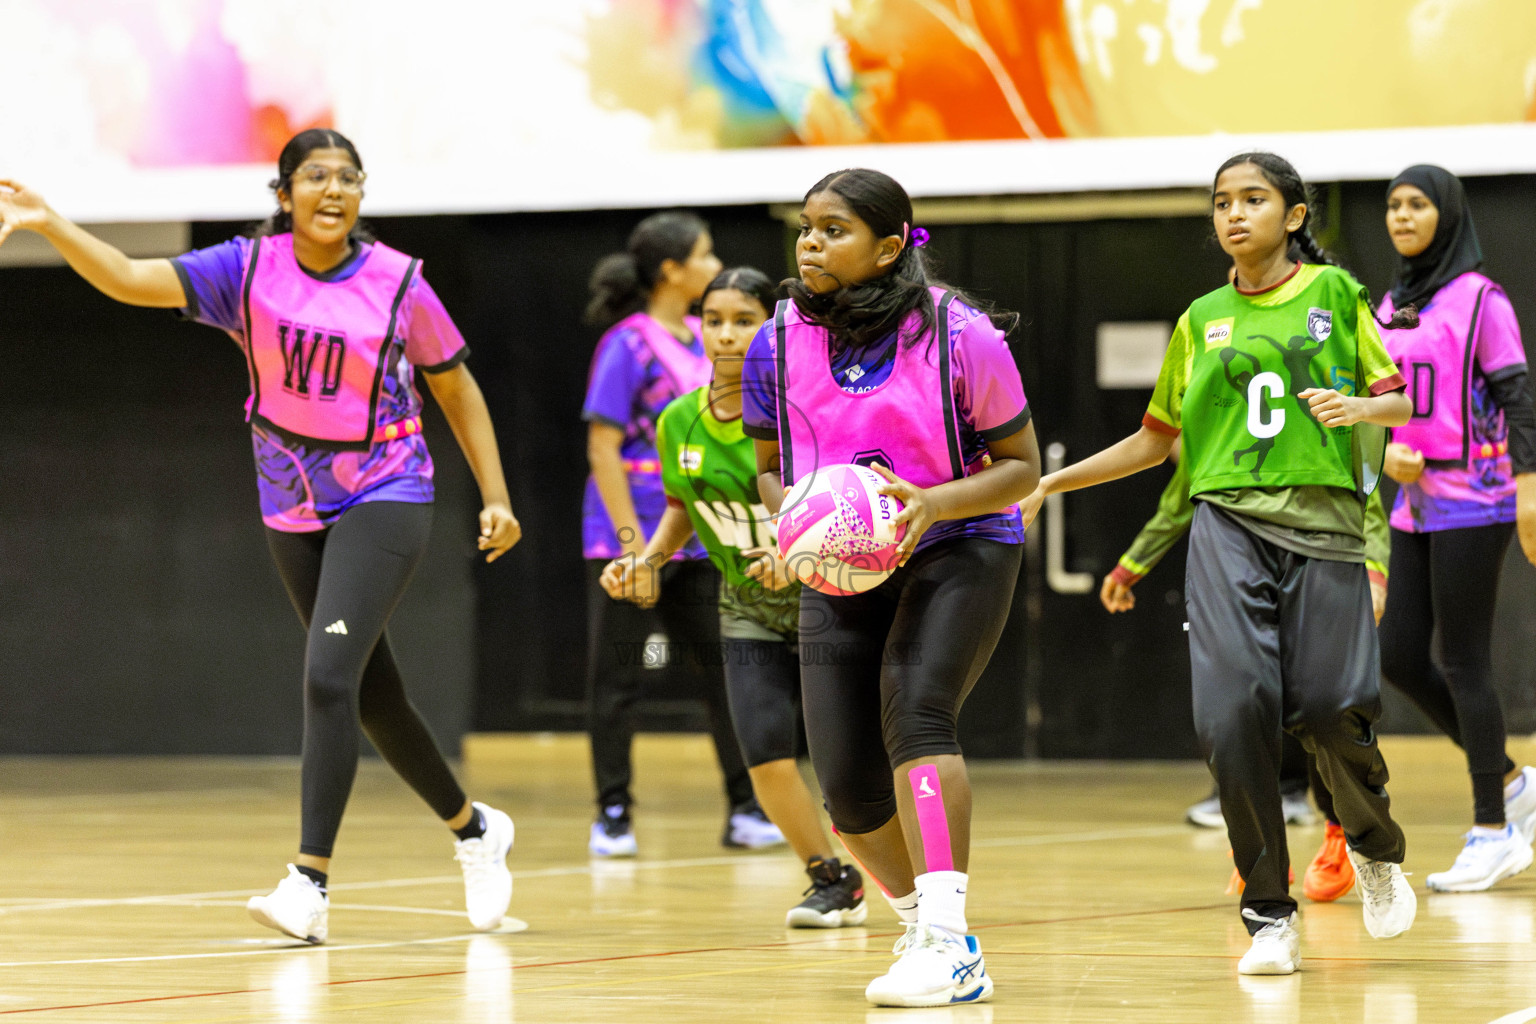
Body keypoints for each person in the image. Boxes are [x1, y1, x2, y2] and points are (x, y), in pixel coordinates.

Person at [0, 129, 520, 943]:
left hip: (386, 489)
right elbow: (135, 279)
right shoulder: (246, 269)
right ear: (283, 195)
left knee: (324, 677)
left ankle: (308, 884)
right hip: (291, 502)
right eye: (316, 177)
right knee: (369, 694)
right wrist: (52, 224)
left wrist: (495, 495)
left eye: (349, 178)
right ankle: (475, 831)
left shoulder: (399, 283)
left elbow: (455, 387)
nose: (334, 190)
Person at [1024, 152, 1418, 976]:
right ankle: (1267, 912)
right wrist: (1053, 480)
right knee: (1232, 714)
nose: (1234, 214)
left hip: (1327, 527)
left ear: (1296, 215)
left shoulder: (1334, 296)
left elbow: (1400, 400)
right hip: (1226, 525)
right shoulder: (1199, 318)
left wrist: (1360, 408)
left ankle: (1375, 849)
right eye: (1221, 202)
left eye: (1254, 199)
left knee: (1330, 704)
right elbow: (1154, 440)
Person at [745, 168, 1040, 1006]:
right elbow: (769, 471)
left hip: (961, 542)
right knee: (844, 787)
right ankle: (925, 926)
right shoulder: (777, 339)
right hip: (842, 560)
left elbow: (1020, 467)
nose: (810, 242)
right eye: (805, 227)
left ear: (888, 245)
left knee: (915, 709)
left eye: (833, 228)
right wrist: (799, 518)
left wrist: (931, 504)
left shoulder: (961, 333)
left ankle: (947, 938)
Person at [601, 267, 866, 927]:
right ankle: (829, 878)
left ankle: (906, 877)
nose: (725, 335)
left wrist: (794, 554)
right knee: (766, 755)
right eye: (712, 319)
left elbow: (838, 511)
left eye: (743, 321)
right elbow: (680, 509)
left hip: (826, 603)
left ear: (772, 329)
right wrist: (645, 561)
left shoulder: (801, 413)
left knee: (848, 761)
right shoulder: (677, 421)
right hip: (746, 609)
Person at [582, 213, 781, 856]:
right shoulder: (627, 343)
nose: (713, 261)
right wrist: (628, 542)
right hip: (632, 532)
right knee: (619, 676)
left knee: (724, 671)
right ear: (672, 271)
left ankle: (746, 807)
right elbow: (603, 447)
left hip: (703, 531)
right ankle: (613, 813)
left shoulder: (710, 337)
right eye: (704, 254)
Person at [1375, 164, 1536, 892]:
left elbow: (1519, 401)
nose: (1402, 216)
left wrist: (1529, 494)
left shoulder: (1481, 300)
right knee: (1400, 656)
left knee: (1465, 659)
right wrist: (1388, 448)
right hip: (1414, 503)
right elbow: (1376, 404)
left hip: (1478, 497)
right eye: (1393, 206)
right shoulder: (1389, 303)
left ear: (1447, 213)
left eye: (1417, 204)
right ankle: (1510, 781)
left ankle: (1493, 830)